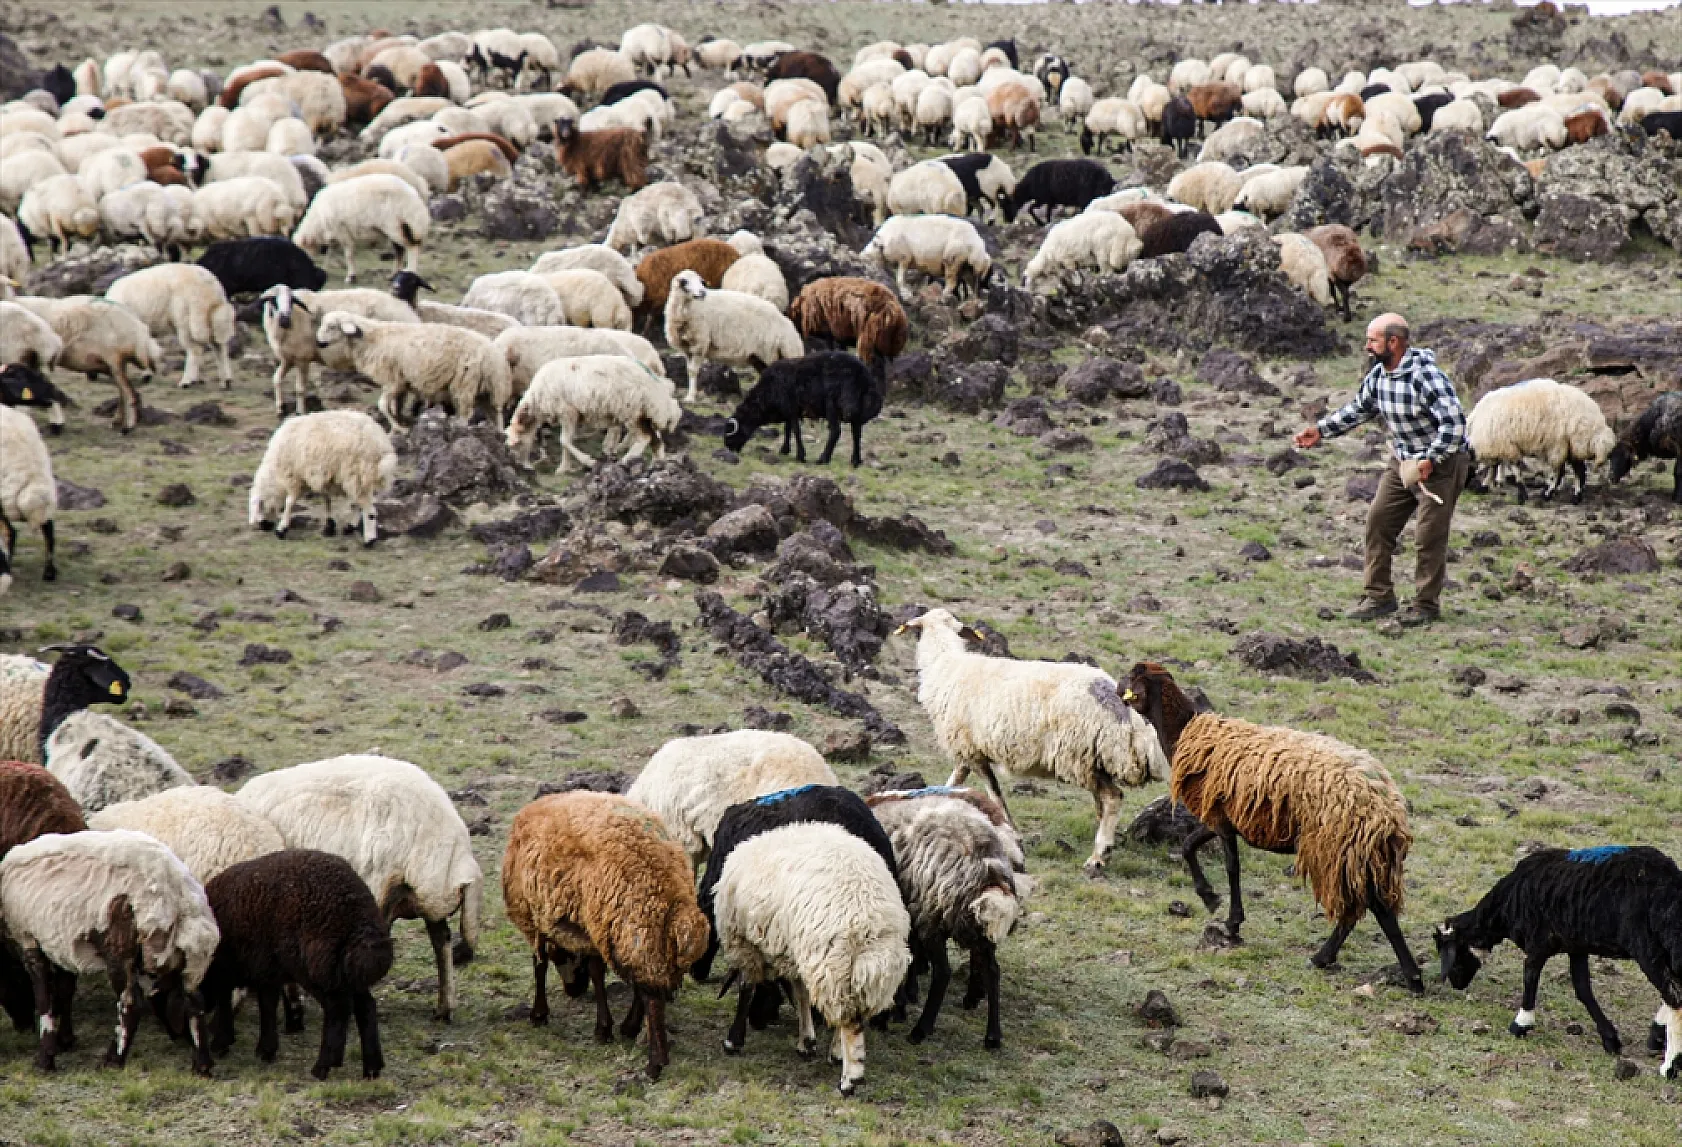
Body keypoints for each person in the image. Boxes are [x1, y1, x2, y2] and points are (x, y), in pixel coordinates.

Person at [1294, 313, 1469, 627]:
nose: (1367, 346)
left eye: (1372, 340)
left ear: (1394, 342)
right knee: (1379, 521)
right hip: (1403, 462)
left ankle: (1425, 605)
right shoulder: (1379, 376)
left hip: (1441, 465)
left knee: (1429, 534)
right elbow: (1358, 409)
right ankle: (1379, 596)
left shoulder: (1425, 376)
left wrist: (1432, 457)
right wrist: (1320, 430)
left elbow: (1454, 422)